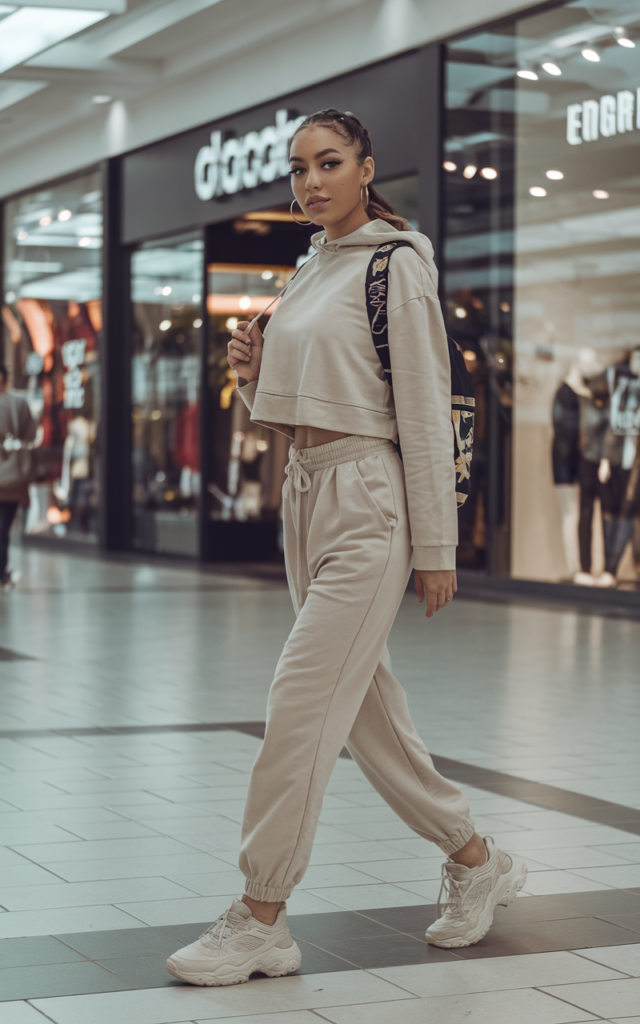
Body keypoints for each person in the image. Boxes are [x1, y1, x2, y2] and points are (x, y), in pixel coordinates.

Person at [166, 109, 527, 988]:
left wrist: (437, 546)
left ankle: (261, 915)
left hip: (370, 499)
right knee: (364, 715)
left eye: (329, 163)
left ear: (366, 168)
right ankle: (477, 859)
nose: (311, 181)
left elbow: (424, 409)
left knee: (298, 703)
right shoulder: (309, 266)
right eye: (298, 169)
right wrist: (253, 371)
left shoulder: (394, 265)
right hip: (306, 492)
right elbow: (296, 410)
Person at [0, 365, 36, 589]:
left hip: (10, 478)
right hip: (13, 476)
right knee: (3, 529)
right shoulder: (18, 404)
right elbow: (31, 434)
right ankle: (2, 573)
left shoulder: (16, 404)